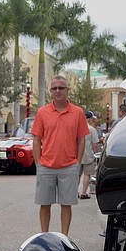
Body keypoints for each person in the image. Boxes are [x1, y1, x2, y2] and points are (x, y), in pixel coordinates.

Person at [31, 75, 89, 235]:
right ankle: (44, 236)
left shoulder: (77, 112)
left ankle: (64, 238)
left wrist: (77, 163)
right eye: (54, 88)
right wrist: (39, 163)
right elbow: (36, 139)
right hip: (46, 166)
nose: (58, 91)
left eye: (61, 88)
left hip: (69, 166)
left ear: (67, 90)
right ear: (50, 91)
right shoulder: (42, 113)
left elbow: (81, 140)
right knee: (44, 203)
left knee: (66, 204)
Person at [77, 110, 98, 199]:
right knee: (87, 174)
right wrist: (96, 153)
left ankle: (74, 192)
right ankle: (83, 192)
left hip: (77, 154)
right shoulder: (92, 130)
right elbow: (95, 144)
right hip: (88, 155)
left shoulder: (76, 128)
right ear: (89, 119)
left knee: (77, 174)